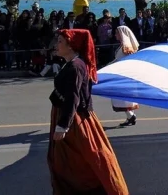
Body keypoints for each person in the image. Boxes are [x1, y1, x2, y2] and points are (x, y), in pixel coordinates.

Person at [48, 29, 129, 194]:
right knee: (68, 161)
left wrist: (63, 126)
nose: (57, 45)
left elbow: (73, 98)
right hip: (70, 116)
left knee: (81, 163)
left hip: (76, 120)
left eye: (61, 42)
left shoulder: (76, 66)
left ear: (71, 46)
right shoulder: (73, 63)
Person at [111, 26, 141, 126]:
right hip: (120, 75)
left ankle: (131, 116)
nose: (115, 35)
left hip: (124, 76)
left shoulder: (127, 48)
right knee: (122, 98)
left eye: (117, 33)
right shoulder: (123, 46)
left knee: (122, 98)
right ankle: (130, 116)